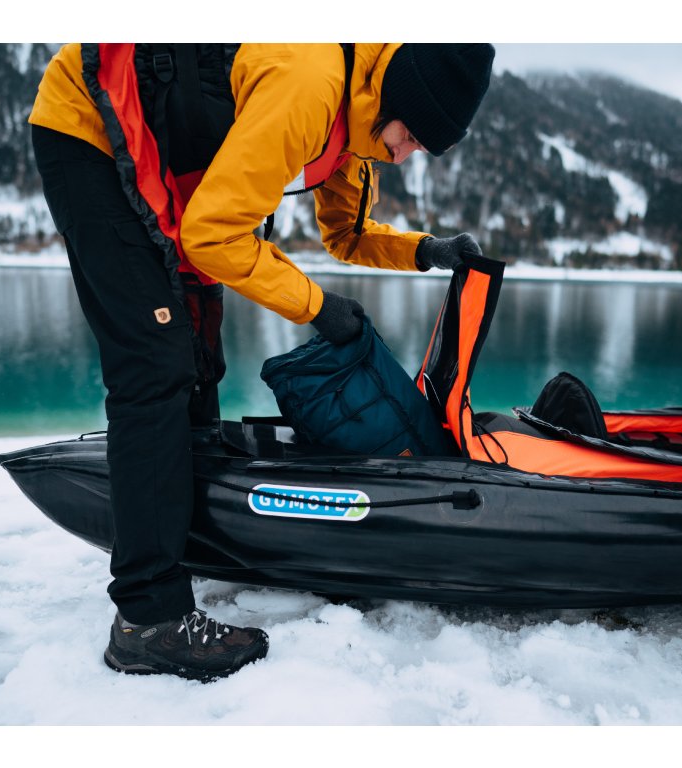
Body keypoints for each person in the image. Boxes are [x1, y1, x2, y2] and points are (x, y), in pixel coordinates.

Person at [28, 42, 495, 682]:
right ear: (397, 97)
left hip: (170, 167)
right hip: (95, 129)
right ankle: (148, 620)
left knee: (198, 348)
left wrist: (426, 250)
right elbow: (214, 235)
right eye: (411, 136)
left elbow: (346, 234)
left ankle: (187, 539)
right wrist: (318, 307)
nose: (405, 154)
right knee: (155, 367)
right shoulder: (311, 85)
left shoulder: (363, 123)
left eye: (420, 147)